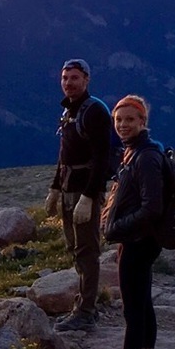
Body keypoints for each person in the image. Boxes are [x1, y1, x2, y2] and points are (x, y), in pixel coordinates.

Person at [101, 94, 165, 349]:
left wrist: (117, 228)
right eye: (119, 120)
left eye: (130, 120)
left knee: (133, 311)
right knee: (143, 305)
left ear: (143, 122)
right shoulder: (136, 152)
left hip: (139, 241)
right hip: (142, 240)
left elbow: (152, 206)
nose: (123, 125)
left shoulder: (146, 157)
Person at [46, 57, 114, 333]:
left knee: (87, 250)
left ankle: (86, 311)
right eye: (64, 78)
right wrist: (54, 188)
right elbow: (65, 155)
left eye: (74, 78)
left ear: (86, 80)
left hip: (83, 190)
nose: (68, 83)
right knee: (76, 248)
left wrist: (90, 195)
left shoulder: (94, 111)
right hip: (67, 189)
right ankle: (82, 304)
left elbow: (102, 157)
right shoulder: (70, 111)